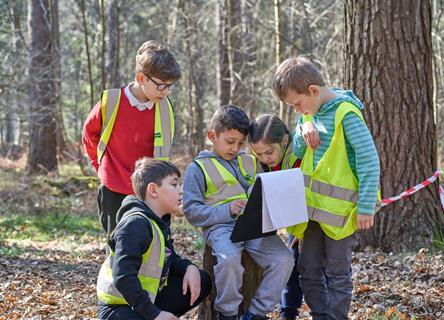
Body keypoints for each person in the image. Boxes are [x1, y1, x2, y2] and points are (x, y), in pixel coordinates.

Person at [273, 56, 380, 320]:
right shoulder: (309, 114)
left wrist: (366, 207)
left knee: (337, 273)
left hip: (340, 216)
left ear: (312, 91)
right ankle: (321, 315)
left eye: (297, 104)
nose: (297, 110)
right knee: (307, 269)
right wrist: (303, 128)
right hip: (311, 214)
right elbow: (296, 152)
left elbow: (369, 160)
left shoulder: (347, 115)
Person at [182, 105, 294, 320]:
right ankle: (228, 314)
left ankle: (256, 313)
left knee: (284, 259)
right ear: (212, 136)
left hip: (253, 227)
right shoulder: (198, 168)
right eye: (230, 142)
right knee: (229, 258)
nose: (235, 148)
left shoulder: (251, 161)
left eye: (240, 143)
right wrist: (227, 210)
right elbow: (192, 212)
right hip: (220, 228)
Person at [82, 40, 180, 235]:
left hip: (150, 191)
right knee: (117, 243)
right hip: (114, 188)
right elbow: (88, 133)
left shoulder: (164, 107)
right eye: (162, 86)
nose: (167, 91)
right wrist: (100, 166)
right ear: (141, 78)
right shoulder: (111, 101)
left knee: (155, 242)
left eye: (171, 86)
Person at [96, 158, 212, 320]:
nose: (181, 191)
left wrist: (188, 268)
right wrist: (154, 314)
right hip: (118, 306)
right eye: (174, 184)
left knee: (202, 280)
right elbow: (123, 276)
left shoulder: (158, 220)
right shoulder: (135, 224)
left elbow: (168, 257)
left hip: (147, 297)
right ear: (153, 190)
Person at [248, 114, 304, 320]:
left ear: (284, 140)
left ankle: (294, 312)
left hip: (311, 220)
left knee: (306, 267)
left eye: (269, 152)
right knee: (291, 265)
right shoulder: (260, 163)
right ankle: (286, 313)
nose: (265, 159)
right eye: (259, 154)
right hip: (286, 221)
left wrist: (303, 232)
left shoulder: (299, 156)